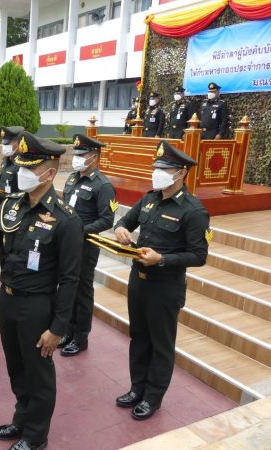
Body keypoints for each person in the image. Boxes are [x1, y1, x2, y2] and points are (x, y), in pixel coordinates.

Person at [0, 131, 83, 450]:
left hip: (38, 306)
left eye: (30, 167)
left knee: (38, 373)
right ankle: (21, 419)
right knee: (16, 366)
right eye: (21, 165)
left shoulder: (65, 220)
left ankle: (36, 435)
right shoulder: (10, 206)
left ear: (50, 173)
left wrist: (58, 328)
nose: (22, 173)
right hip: (8, 300)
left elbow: (71, 279)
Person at [114, 140, 210, 420]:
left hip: (165, 286)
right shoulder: (150, 198)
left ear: (180, 173)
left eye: (163, 168)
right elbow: (126, 221)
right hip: (139, 281)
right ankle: (137, 388)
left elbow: (198, 255)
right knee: (139, 337)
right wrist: (120, 229)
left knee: (161, 344)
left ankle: (152, 398)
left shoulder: (193, 210)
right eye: (156, 167)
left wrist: (163, 259)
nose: (156, 173)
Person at [59, 134, 116, 356]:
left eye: (82, 155)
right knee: (67, 287)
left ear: (94, 157)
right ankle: (68, 331)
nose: (77, 159)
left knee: (82, 292)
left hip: (85, 245)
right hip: (67, 243)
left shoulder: (102, 185)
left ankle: (80, 338)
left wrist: (80, 230)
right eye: (76, 155)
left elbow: (107, 219)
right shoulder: (73, 178)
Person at [0, 125, 25, 304]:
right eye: (4, 142)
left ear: (18, 143)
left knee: (15, 257)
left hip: (17, 218)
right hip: (4, 214)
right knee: (4, 254)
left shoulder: (22, 164)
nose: (5, 145)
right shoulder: (6, 161)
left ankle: (14, 290)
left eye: (8, 142)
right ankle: (3, 288)